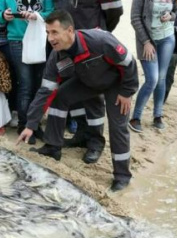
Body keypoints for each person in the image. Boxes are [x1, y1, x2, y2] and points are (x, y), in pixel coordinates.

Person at [18, 10, 138, 192]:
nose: (50, 38)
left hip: (116, 85)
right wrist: (30, 125)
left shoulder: (100, 41)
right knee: (59, 98)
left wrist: (127, 91)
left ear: (70, 31)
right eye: (47, 33)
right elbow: (45, 91)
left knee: (117, 126)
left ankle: (122, 176)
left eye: (54, 32)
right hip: (88, 81)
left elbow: (129, 63)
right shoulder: (56, 55)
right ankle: (53, 146)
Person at [51, 0, 124, 163]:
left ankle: (95, 141)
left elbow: (114, 12)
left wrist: (97, 36)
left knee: (93, 98)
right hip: (66, 46)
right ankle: (81, 134)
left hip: (91, 49)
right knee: (72, 93)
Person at [0, 0, 53, 144]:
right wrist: (4, 16)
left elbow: (50, 12)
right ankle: (23, 124)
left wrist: (38, 16)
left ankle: (34, 125)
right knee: (25, 83)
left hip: (39, 39)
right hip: (17, 39)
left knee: (39, 83)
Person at [129, 0, 177, 133]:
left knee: (161, 77)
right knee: (151, 79)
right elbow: (135, 18)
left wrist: (171, 16)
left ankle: (157, 115)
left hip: (167, 38)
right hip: (148, 40)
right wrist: (146, 42)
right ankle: (136, 117)